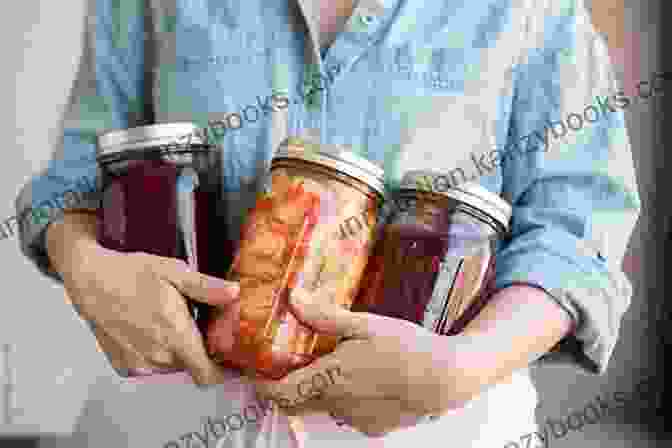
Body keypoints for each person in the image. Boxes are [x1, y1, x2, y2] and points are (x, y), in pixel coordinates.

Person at [16, 0, 640, 446]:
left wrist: (461, 369)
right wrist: (86, 265)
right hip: (173, 407)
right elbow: (73, 181)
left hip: (435, 427)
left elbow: (576, 228)